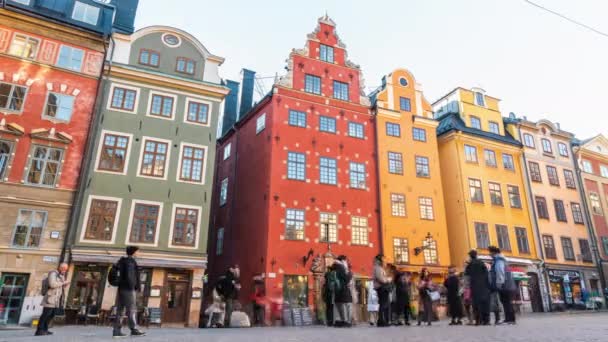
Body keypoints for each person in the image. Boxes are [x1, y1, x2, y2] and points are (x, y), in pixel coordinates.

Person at [113, 246, 146, 338]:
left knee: (120, 310)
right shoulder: (130, 262)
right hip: (128, 289)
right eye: (138, 252)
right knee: (131, 309)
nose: (139, 253)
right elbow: (130, 276)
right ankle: (134, 329)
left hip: (121, 288)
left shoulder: (122, 261)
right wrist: (133, 287)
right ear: (134, 252)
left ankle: (116, 331)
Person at [35, 263, 69, 336]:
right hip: (50, 298)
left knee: (51, 315)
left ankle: (45, 329)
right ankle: (39, 330)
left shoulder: (61, 276)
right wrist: (63, 283)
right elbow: (52, 284)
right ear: (60, 267)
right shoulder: (53, 273)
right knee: (45, 315)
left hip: (56, 300)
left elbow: (60, 287)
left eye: (66, 270)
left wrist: (64, 285)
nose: (65, 271)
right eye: (64, 269)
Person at [489, 246, 516, 325]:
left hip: (504, 284)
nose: (489, 254)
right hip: (507, 283)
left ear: (493, 252)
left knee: (506, 302)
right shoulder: (502, 259)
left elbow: (500, 272)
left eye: (490, 252)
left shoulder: (498, 260)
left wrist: (499, 283)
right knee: (507, 302)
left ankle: (510, 320)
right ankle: (510, 319)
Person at [465, 250, 490, 325]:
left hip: (474, 285)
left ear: (470, 256)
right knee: (485, 302)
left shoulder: (470, 265)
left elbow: (467, 275)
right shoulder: (481, 263)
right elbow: (486, 274)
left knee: (476, 303)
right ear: (476, 255)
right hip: (483, 286)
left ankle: (478, 320)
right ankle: (486, 320)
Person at [333, 255, 354, 327]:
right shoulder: (341, 267)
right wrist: (350, 273)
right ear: (342, 260)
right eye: (346, 260)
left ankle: (340, 321)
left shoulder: (335, 267)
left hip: (338, 291)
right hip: (343, 290)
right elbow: (346, 278)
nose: (347, 262)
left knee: (340, 305)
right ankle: (346, 321)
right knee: (347, 305)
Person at [373, 255, 392, 327]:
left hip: (383, 288)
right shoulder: (378, 268)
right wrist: (388, 279)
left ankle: (383, 320)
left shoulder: (380, 268)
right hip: (381, 288)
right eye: (384, 259)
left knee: (384, 304)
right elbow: (381, 279)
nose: (385, 260)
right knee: (383, 304)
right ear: (380, 260)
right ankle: (381, 321)